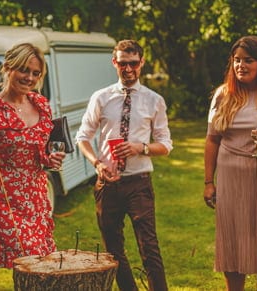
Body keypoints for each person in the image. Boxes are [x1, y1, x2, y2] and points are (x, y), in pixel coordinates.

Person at [75, 39, 172, 291]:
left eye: (133, 63)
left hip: (139, 182)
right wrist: (96, 163)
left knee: (149, 248)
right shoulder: (101, 97)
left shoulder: (154, 100)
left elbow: (165, 144)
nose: (128, 69)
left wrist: (142, 148)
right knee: (113, 252)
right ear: (114, 63)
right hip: (107, 184)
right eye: (122, 63)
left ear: (141, 63)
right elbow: (82, 137)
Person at [0, 43, 65, 269]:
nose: (29, 77)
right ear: (8, 67)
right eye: (24, 70)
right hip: (6, 200)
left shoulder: (40, 104)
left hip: (37, 198)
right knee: (30, 264)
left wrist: (50, 159)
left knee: (42, 263)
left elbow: (41, 151)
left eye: (35, 73)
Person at [203, 35, 257, 291]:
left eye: (248, 60)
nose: (240, 65)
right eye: (236, 60)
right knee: (232, 240)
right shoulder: (222, 95)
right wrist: (209, 181)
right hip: (232, 179)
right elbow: (212, 140)